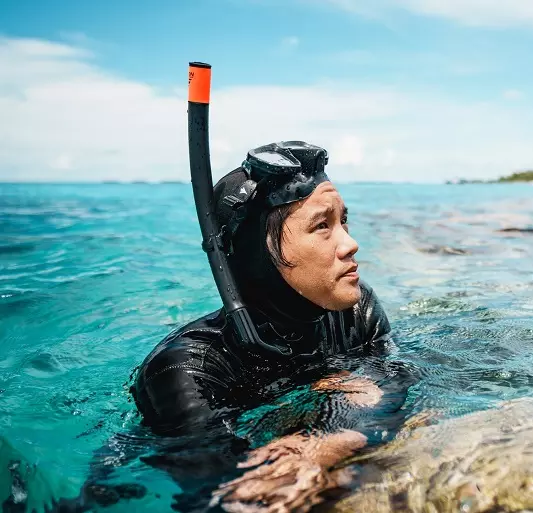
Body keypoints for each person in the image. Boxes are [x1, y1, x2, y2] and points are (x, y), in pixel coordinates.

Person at [54, 142, 416, 513]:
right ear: (257, 255)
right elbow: (222, 490)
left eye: (344, 221)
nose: (350, 244)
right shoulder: (183, 370)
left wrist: (332, 441)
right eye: (322, 226)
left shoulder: (354, 308)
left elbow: (398, 385)